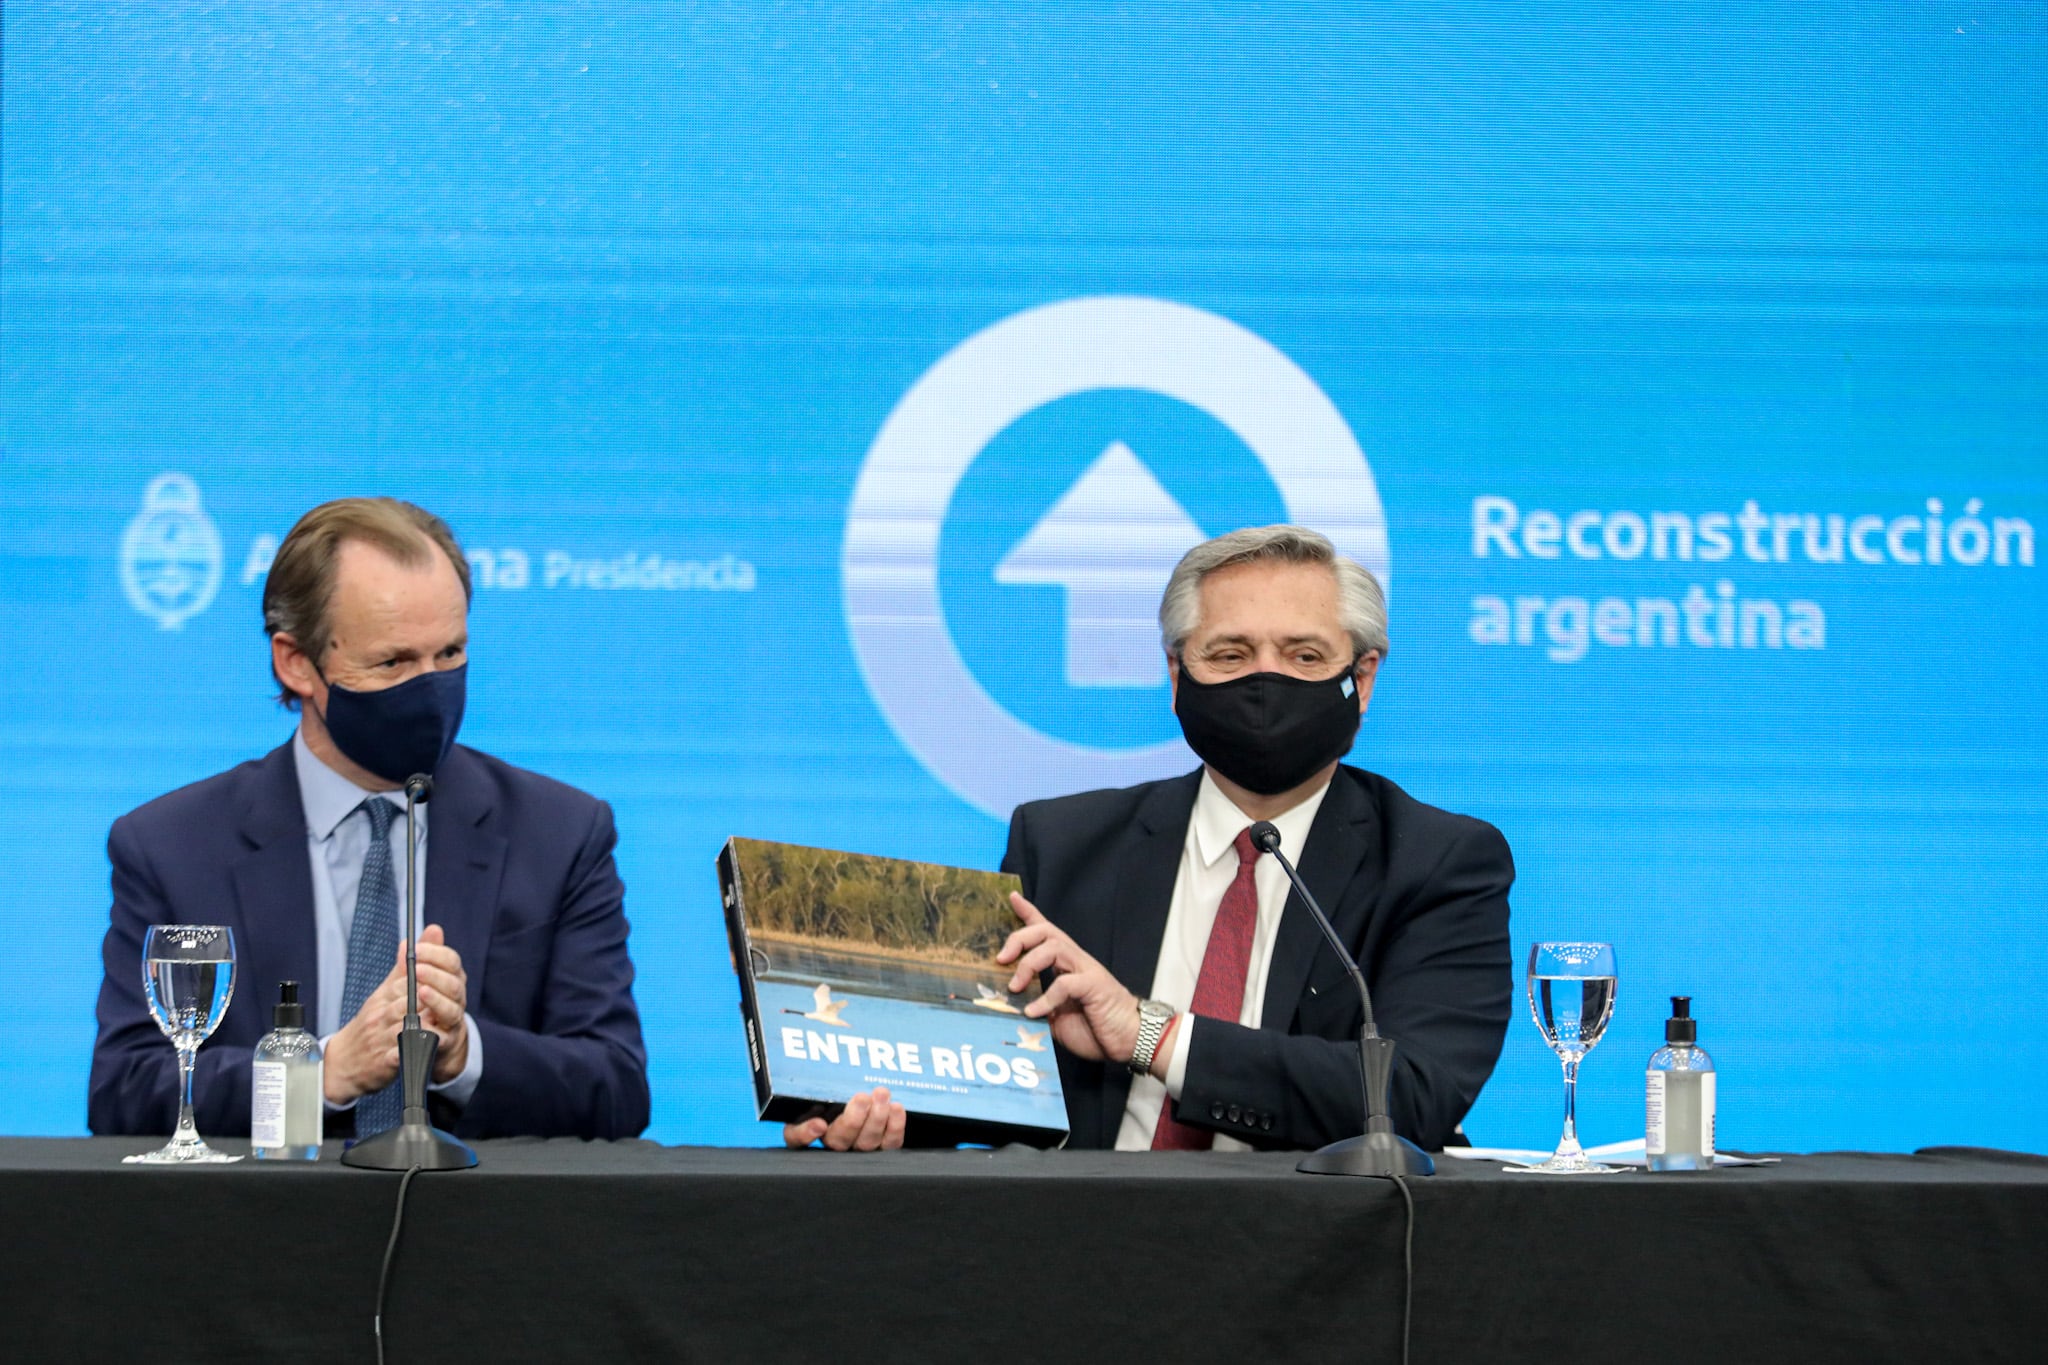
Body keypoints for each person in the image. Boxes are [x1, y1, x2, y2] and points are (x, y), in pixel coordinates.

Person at [786, 524, 1512, 1153]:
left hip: (1317, 1254)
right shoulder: (1061, 843)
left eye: (1303, 656)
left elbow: (1413, 1098)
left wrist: (1151, 1035)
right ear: (1176, 675)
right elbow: (1005, 1085)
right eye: (1229, 654)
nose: (1265, 680)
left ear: (1363, 677)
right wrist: (874, 1114)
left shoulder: (1434, 860)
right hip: (1090, 1247)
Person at [89, 497, 649, 1141]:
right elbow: (126, 1093)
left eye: (450, 654)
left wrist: (464, 1054)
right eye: (393, 663)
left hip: (482, 1231)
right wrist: (318, 1075)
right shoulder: (174, 847)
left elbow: (618, 1089)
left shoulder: (559, 835)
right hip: (254, 1229)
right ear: (296, 662)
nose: (432, 689)